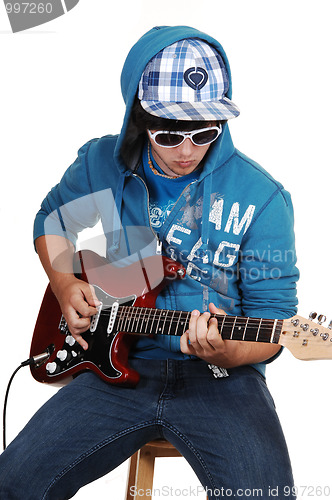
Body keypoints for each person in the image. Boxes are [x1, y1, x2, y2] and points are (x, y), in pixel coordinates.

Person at [0, 26, 299, 499]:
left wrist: (228, 351)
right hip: (115, 368)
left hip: (222, 380)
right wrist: (62, 282)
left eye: (205, 133)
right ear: (139, 119)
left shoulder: (262, 199)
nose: (187, 151)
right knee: (13, 482)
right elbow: (54, 220)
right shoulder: (104, 164)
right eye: (169, 133)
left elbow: (273, 321)